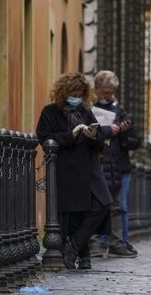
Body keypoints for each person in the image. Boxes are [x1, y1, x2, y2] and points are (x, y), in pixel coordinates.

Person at [36, 73, 112, 270]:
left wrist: (92, 135)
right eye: (72, 93)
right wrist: (72, 134)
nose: (76, 96)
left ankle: (74, 248)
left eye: (79, 93)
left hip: (88, 169)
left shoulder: (86, 111)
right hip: (65, 169)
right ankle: (81, 255)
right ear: (63, 92)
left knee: (102, 204)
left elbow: (100, 139)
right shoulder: (50, 112)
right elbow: (44, 138)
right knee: (74, 213)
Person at [90, 70, 141, 258]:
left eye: (111, 92)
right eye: (105, 92)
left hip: (117, 165)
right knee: (95, 204)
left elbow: (136, 141)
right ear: (97, 89)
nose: (108, 96)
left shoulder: (121, 112)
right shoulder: (90, 110)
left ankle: (118, 241)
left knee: (118, 206)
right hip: (97, 162)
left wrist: (123, 134)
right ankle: (96, 242)